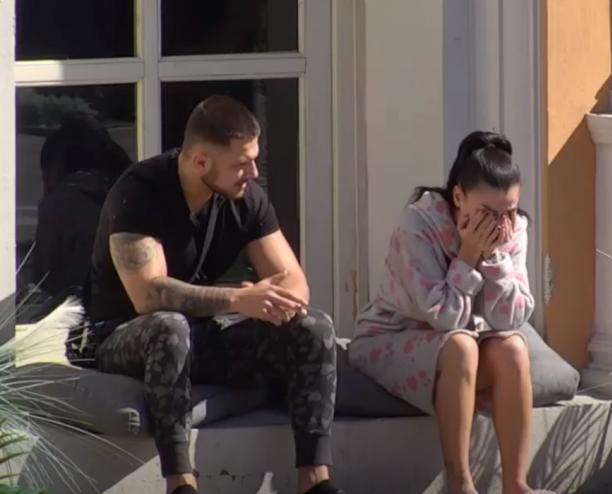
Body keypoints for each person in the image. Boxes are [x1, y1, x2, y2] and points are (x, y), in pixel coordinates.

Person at [88, 95, 346, 494]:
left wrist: (272, 301)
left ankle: (315, 481)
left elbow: (294, 283)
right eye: (242, 164)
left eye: (254, 160)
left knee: (313, 326)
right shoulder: (139, 192)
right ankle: (181, 484)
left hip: (202, 335)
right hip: (124, 337)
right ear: (200, 161)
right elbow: (148, 295)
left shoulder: (245, 198)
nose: (253, 173)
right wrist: (236, 300)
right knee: (169, 327)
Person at [349, 131, 554, 494]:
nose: (500, 225)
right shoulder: (419, 224)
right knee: (460, 345)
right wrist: (469, 255)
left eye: (509, 211)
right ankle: (460, 484)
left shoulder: (514, 229)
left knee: (513, 348)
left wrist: (495, 259)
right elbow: (443, 316)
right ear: (459, 197)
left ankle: (516, 484)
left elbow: (512, 317)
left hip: (467, 342)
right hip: (392, 337)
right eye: (488, 213)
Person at [32, 113, 131, 297]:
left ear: (56, 164)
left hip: (76, 306)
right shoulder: (128, 193)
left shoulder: (59, 206)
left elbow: (44, 277)